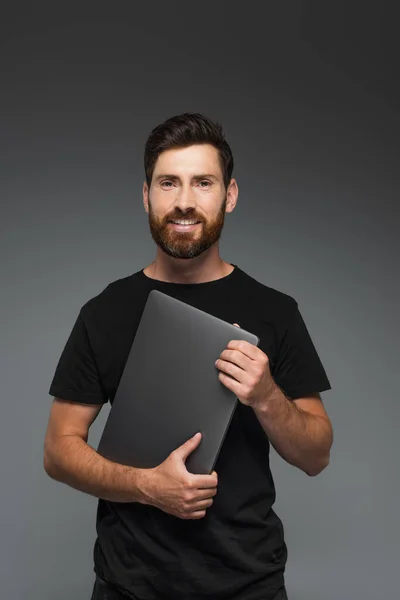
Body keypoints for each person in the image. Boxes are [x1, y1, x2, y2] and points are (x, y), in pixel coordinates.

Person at [44, 112, 333, 600]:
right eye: (167, 183)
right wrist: (145, 486)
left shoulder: (275, 312)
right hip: (128, 586)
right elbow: (58, 450)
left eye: (203, 182)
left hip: (249, 584)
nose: (184, 202)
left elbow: (316, 456)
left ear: (230, 194)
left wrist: (265, 396)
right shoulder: (105, 312)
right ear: (145, 196)